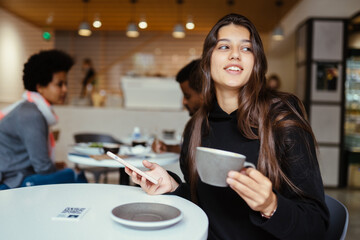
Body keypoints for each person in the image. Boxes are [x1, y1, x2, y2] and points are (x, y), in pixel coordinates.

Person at [125, 13, 329, 239]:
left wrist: (271, 205)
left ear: (257, 62)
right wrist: (173, 186)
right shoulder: (196, 127)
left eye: (246, 48)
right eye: (224, 47)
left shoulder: (281, 119)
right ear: (207, 61)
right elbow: (206, 206)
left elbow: (316, 224)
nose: (234, 55)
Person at [0, 49, 87, 190]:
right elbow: (43, 167)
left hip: (16, 176)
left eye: (66, 84)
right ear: (40, 87)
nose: (65, 89)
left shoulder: (29, 108)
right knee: (74, 174)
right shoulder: (31, 115)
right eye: (59, 84)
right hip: (10, 183)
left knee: (68, 171)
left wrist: (56, 166)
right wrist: (60, 170)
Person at [152, 59, 203, 153]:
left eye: (187, 96)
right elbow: (193, 151)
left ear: (204, 92)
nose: (184, 102)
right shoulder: (198, 122)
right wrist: (168, 148)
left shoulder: (215, 126)